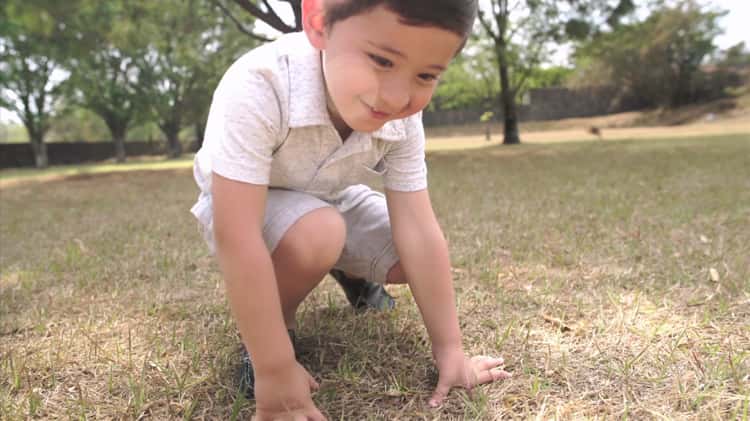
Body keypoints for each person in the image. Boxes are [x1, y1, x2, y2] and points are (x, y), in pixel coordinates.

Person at [190, 0, 511, 419]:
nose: (396, 96)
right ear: (319, 24)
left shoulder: (403, 119)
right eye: (381, 60)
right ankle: (272, 332)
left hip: (329, 195)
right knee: (319, 232)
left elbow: (417, 226)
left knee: (403, 259)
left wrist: (451, 351)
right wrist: (274, 366)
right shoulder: (261, 82)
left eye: (426, 75)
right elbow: (239, 234)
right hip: (246, 201)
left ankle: (349, 270)